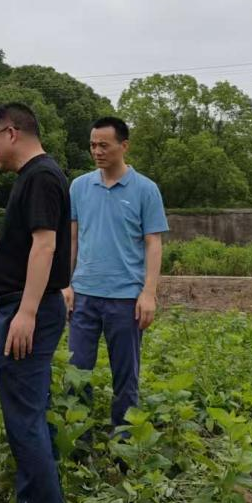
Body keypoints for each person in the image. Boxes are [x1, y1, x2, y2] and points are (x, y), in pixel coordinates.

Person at [0, 102, 71, 503]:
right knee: (29, 416)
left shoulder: (39, 176)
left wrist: (28, 312)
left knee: (24, 421)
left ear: (11, 133)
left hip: (26, 309)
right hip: (26, 305)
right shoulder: (38, 175)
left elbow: (45, 246)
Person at [62, 116, 169, 435]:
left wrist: (148, 293)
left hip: (126, 299)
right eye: (93, 145)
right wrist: (65, 284)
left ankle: (124, 443)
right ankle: (78, 441)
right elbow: (72, 239)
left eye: (104, 145)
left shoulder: (145, 189)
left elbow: (153, 243)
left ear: (124, 146)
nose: (97, 151)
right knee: (76, 372)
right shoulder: (79, 186)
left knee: (126, 376)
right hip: (83, 296)